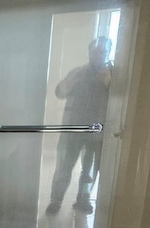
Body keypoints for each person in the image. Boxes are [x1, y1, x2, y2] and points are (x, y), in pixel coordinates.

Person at [46, 36, 112, 215]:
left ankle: (83, 201)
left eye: (103, 51)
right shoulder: (77, 72)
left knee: (89, 169)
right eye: (95, 51)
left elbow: (121, 102)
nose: (98, 55)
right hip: (72, 130)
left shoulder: (112, 76)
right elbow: (59, 92)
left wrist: (109, 83)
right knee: (63, 166)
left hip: (97, 132)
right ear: (89, 52)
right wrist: (72, 81)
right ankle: (55, 201)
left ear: (108, 53)